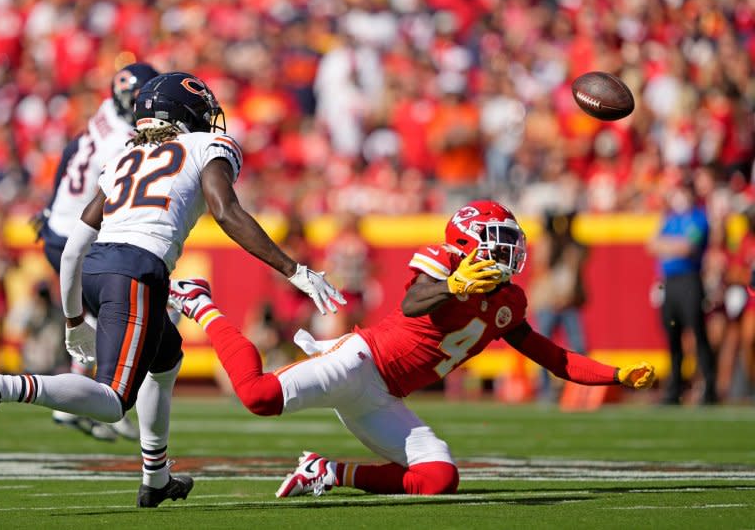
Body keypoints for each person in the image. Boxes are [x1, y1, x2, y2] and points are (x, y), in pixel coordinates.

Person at [0, 72, 346, 508]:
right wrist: (294, 270)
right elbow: (226, 210)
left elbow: (72, 253)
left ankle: (156, 477)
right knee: (112, 401)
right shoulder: (204, 146)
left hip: (97, 268)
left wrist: (72, 320)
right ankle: (0, 386)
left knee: (167, 357)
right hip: (138, 269)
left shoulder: (124, 157)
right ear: (185, 113)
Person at [168, 200, 655, 498]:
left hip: (384, 398)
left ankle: (328, 472)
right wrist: (457, 286)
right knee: (258, 397)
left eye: (511, 242)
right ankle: (203, 304)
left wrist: (616, 376)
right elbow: (414, 301)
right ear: (466, 243)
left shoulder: (509, 300)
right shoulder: (443, 263)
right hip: (358, 362)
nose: (509, 253)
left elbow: (555, 356)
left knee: (439, 477)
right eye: (497, 242)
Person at [32, 62, 161, 442]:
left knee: (96, 314)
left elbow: (72, 148)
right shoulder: (121, 140)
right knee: (117, 309)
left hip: (60, 226)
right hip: (76, 233)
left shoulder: (105, 114)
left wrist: (51, 205)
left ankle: (79, 403)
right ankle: (105, 402)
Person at [648, 177, 717, 405]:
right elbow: (652, 244)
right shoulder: (671, 219)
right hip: (670, 282)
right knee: (672, 335)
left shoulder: (699, 218)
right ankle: (674, 387)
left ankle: (708, 386)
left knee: (697, 333)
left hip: (690, 280)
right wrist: (672, 245)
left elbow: (688, 247)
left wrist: (668, 245)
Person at [528, 210, 589, 401]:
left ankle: (580, 391)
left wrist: (569, 231)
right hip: (548, 302)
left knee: (579, 346)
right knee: (543, 350)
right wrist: (548, 232)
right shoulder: (547, 243)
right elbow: (543, 261)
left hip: (568, 303)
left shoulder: (574, 246)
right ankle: (545, 393)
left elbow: (583, 254)